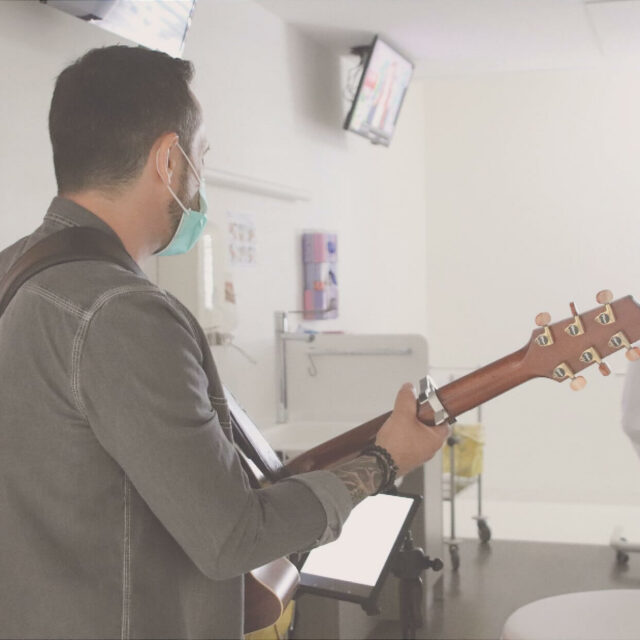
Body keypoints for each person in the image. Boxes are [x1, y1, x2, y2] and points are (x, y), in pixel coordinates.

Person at [0, 46, 448, 640]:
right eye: (200, 154)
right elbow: (232, 537)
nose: (200, 174)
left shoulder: (12, 273)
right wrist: (387, 459)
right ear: (167, 158)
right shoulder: (125, 314)